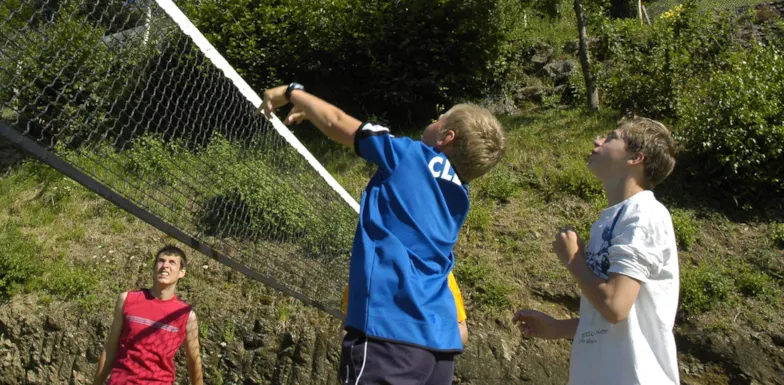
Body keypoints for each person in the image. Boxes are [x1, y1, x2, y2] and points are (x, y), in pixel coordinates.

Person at [260, 83, 506, 385]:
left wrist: (291, 93)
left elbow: (337, 122)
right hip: (440, 346)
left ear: (445, 137)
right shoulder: (461, 197)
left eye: (440, 118)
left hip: (391, 336)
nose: (433, 120)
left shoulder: (409, 155)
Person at [513, 118, 679, 385]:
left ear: (636, 157)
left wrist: (573, 261)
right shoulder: (612, 219)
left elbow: (615, 306)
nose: (597, 141)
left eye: (611, 137)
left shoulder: (643, 215)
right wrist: (558, 328)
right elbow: (613, 320)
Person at [94, 245, 203, 385]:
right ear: (154, 268)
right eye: (161, 261)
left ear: (182, 272)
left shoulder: (186, 315)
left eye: (172, 262)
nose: (165, 266)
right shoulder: (127, 300)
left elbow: (194, 361)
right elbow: (110, 350)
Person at [342, 272, 469, 346]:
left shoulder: (440, 273)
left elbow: (462, 333)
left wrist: (423, 336)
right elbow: (346, 329)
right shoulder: (368, 269)